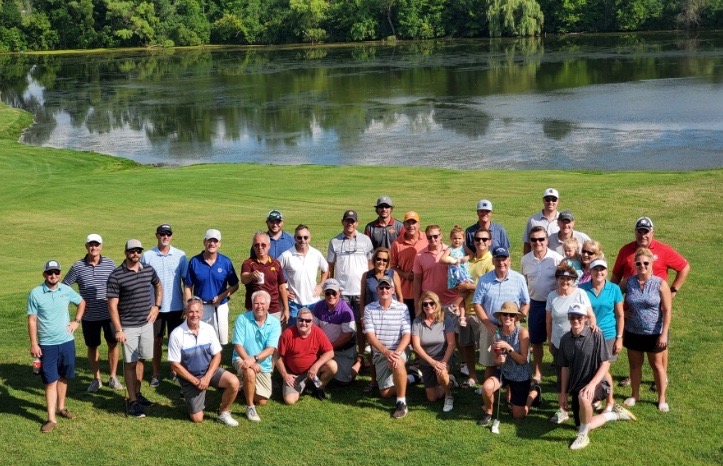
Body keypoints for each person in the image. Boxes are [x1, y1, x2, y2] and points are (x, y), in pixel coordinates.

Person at [611, 216, 689, 391]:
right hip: (633, 306)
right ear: (635, 232)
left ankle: (661, 378)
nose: (643, 235)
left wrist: (673, 290)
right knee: (634, 346)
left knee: (660, 343)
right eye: (640, 231)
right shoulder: (626, 250)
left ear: (652, 232)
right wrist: (619, 305)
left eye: (646, 231)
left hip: (655, 306)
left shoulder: (663, 250)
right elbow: (616, 276)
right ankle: (633, 377)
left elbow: (684, 267)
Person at [558, 305, 637, 451]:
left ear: (586, 319)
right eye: (572, 317)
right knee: (581, 423)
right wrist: (563, 393)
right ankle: (613, 415)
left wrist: (592, 385)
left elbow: (605, 363)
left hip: (599, 383)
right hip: (577, 386)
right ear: (568, 318)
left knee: (584, 397)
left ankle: (583, 437)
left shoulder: (596, 334)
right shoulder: (565, 339)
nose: (576, 320)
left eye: (579, 317)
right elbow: (564, 367)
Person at [27, 260, 86, 433]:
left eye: (57, 272)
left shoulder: (66, 290)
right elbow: (32, 319)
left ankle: (61, 408)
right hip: (47, 345)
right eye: (50, 272)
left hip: (67, 342)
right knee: (50, 380)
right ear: (44, 274)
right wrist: (33, 343)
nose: (54, 276)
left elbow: (81, 302)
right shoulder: (36, 293)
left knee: (63, 376)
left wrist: (76, 321)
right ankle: (51, 418)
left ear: (60, 274)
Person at [107, 239, 162, 418]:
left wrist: (156, 306)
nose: (135, 254)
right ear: (126, 252)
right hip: (128, 326)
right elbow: (112, 306)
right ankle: (132, 401)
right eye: (132, 251)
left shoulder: (148, 269)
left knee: (141, 359)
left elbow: (158, 285)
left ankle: (137, 394)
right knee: (130, 363)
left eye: (138, 250)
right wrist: (119, 329)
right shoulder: (116, 275)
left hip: (146, 323)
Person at [62, 233, 122, 393]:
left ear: (101, 246)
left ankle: (113, 376)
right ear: (86, 246)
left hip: (109, 314)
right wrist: (77, 302)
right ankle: (96, 379)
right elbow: (65, 286)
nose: (93, 247)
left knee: (113, 344)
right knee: (92, 346)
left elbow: (118, 285)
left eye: (96, 244)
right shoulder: (78, 266)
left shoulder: (110, 264)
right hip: (89, 316)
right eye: (91, 245)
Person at [167, 297, 240, 426]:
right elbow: (175, 365)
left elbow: (217, 355)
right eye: (191, 312)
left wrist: (206, 377)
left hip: (209, 372)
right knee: (197, 418)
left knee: (234, 382)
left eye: (197, 312)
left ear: (202, 312)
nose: (194, 315)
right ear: (185, 312)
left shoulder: (208, 329)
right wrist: (196, 381)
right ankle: (194, 397)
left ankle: (223, 412)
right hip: (190, 378)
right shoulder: (176, 334)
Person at [620, 248, 672, 412]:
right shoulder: (629, 282)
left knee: (657, 366)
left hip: (654, 333)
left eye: (645, 263)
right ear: (635, 264)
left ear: (651, 264)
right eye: (638, 263)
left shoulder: (660, 283)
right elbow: (613, 295)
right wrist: (621, 309)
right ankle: (635, 395)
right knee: (635, 365)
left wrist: (664, 333)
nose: (642, 265)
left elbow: (667, 309)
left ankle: (661, 398)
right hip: (633, 331)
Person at [546, 264, 595, 424]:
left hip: (580, 343)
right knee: (562, 376)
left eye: (568, 278)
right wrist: (549, 340)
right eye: (562, 278)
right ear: (557, 279)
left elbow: (590, 315)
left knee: (581, 374)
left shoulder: (580, 293)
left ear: (574, 280)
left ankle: (586, 403)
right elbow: (549, 320)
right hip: (559, 343)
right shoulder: (552, 296)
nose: (565, 281)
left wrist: (593, 326)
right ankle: (563, 408)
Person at [478, 302, 541, 426]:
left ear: (516, 318)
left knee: (518, 415)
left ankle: (534, 393)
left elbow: (523, 360)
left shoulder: (522, 332)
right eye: (505, 314)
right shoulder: (497, 333)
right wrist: (498, 360)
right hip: (505, 372)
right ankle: (488, 413)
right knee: (487, 387)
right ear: (500, 317)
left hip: (521, 375)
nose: (508, 317)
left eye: (511, 315)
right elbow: (495, 359)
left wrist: (508, 348)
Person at [473, 247, 530, 381]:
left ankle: (510, 396)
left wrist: (517, 320)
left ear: (509, 260)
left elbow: (526, 302)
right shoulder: (484, 279)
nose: (501, 263)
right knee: (491, 363)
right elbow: (477, 303)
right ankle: (488, 397)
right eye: (497, 259)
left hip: (512, 328)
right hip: (491, 326)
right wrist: (488, 324)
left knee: (513, 359)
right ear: (493, 261)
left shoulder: (519, 278)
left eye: (504, 259)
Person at [141, 224, 188, 387]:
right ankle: (155, 373)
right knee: (157, 341)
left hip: (176, 307)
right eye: (162, 234)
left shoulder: (181, 256)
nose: (165, 236)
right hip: (155, 308)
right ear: (157, 235)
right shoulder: (147, 256)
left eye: (168, 234)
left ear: (172, 236)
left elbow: (186, 282)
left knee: (176, 341)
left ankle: (175, 371)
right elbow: (142, 281)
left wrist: (186, 305)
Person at [327, 209, 374, 359]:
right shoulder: (334, 242)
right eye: (347, 220)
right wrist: (331, 288)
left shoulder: (365, 240)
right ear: (342, 222)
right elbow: (330, 267)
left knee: (361, 325)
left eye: (352, 221)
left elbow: (370, 264)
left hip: (360, 291)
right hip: (342, 291)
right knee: (343, 326)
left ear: (357, 223)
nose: (350, 224)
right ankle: (345, 355)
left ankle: (360, 355)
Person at [364, 276, 412, 418]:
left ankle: (401, 403)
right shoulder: (369, 309)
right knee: (384, 393)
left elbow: (407, 335)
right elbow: (371, 337)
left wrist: (396, 352)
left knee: (397, 363)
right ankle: (413, 377)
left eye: (387, 287)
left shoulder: (402, 308)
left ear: (393, 290)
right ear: (377, 290)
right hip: (381, 352)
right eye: (381, 288)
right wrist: (386, 352)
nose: (384, 290)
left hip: (399, 350)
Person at [580, 259, 624, 412]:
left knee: (603, 370)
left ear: (606, 271)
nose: (599, 273)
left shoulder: (614, 289)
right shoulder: (582, 289)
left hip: (608, 334)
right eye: (595, 269)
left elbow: (620, 315)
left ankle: (610, 403)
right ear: (590, 272)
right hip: (588, 334)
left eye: (602, 269)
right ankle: (598, 398)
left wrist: (619, 338)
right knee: (593, 368)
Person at [520, 226, 563, 383]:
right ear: (530, 241)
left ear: (547, 240)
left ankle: (561, 371)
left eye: (541, 239)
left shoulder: (557, 258)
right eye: (533, 239)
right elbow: (524, 283)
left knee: (558, 340)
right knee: (536, 341)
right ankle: (537, 372)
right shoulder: (525, 260)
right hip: (535, 304)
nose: (537, 242)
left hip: (554, 303)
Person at [231, 291, 282, 422]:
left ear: (268, 305)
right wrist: (249, 361)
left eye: (262, 303)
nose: (259, 306)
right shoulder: (242, 319)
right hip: (241, 358)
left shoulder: (275, 323)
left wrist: (254, 359)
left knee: (263, 400)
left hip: (261, 363)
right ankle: (250, 407)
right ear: (252, 305)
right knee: (249, 371)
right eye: (256, 303)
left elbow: (271, 349)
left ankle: (240, 385)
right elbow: (238, 345)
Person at [184, 228, 239, 345]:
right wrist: (189, 306)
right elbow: (188, 286)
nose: (212, 244)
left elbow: (235, 285)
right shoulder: (194, 261)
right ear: (204, 242)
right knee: (200, 339)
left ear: (219, 244)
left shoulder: (225, 262)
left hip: (220, 306)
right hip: (201, 307)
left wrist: (221, 296)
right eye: (209, 241)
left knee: (220, 341)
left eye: (215, 241)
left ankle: (217, 362)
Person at [360, 247, 404, 392]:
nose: (381, 262)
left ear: (388, 262)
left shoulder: (393, 274)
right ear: (374, 260)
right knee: (374, 349)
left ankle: (399, 376)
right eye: (378, 259)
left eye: (385, 260)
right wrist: (362, 316)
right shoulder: (367, 276)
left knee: (395, 347)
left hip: (392, 317)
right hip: (373, 317)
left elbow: (399, 295)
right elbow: (362, 298)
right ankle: (374, 381)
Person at [456, 228, 494, 389]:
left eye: (484, 239)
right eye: (478, 239)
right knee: (467, 345)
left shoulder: (490, 261)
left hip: (482, 312)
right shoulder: (469, 261)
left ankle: (488, 380)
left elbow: (489, 286)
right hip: (466, 310)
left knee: (486, 349)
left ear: (489, 242)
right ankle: (472, 376)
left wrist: (468, 286)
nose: (481, 242)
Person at [275, 308, 337, 404]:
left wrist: (315, 367)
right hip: (295, 375)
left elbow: (330, 352)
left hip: (313, 372)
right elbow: (277, 356)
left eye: (308, 321)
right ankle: (304, 386)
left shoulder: (318, 332)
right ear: (296, 319)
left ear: (312, 322)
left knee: (332, 365)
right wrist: (285, 375)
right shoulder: (287, 334)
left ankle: (319, 388)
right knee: (289, 401)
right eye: (301, 320)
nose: (304, 323)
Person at [411, 291, 457, 412]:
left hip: (444, 357)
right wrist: (433, 363)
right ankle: (450, 381)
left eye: (432, 303)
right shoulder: (417, 321)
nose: (428, 306)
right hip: (427, 362)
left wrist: (443, 362)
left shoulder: (446, 319)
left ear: (437, 304)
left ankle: (448, 395)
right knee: (432, 398)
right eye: (425, 304)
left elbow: (451, 344)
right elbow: (416, 346)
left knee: (441, 372)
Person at [278, 224, 329, 326]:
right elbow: (275, 273)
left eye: (305, 237)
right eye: (299, 237)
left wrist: (321, 285)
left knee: (313, 332)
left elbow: (325, 269)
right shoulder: (286, 255)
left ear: (309, 238)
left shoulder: (316, 254)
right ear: (294, 238)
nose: (303, 240)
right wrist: (284, 290)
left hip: (313, 303)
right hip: (294, 304)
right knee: (293, 332)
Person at [312, 279, 358, 385]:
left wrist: (328, 349)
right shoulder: (318, 306)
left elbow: (347, 336)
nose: (331, 296)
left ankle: (359, 362)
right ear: (324, 293)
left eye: (334, 293)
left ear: (339, 293)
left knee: (342, 382)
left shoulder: (347, 312)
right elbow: (315, 328)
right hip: (325, 347)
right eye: (328, 293)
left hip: (342, 349)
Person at [241, 231, 290, 324]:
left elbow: (282, 287)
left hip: (273, 310)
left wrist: (286, 308)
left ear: (269, 245)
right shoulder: (248, 263)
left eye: (263, 245)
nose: (260, 247)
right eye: (256, 245)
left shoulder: (275, 264)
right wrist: (251, 275)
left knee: (273, 338)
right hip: (254, 310)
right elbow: (243, 279)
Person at [390, 211, 428, 322]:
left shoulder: (426, 239)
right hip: (405, 291)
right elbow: (392, 266)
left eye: (414, 223)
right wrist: (405, 274)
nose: (411, 226)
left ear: (419, 224)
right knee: (407, 323)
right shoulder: (397, 243)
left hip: (424, 289)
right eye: (408, 223)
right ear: (404, 224)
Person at [413, 224, 457, 308]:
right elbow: (417, 281)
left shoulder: (451, 251)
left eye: (435, 236)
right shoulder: (419, 256)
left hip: (451, 301)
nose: (432, 239)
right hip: (429, 304)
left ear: (441, 235)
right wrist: (416, 305)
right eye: (429, 237)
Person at [441, 225, 472, 324]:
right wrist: (452, 261)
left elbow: (472, 254)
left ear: (463, 239)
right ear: (451, 238)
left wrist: (466, 258)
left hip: (464, 273)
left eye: (459, 238)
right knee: (466, 291)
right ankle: (454, 305)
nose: (457, 240)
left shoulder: (464, 247)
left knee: (463, 293)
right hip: (455, 274)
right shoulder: (450, 248)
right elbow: (442, 259)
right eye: (455, 238)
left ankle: (461, 316)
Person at [523, 188, 560, 254]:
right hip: (537, 261)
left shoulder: (563, 220)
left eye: (554, 199)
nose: (550, 202)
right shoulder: (533, 220)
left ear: (558, 201)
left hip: (557, 262)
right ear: (543, 200)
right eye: (547, 199)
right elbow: (527, 244)